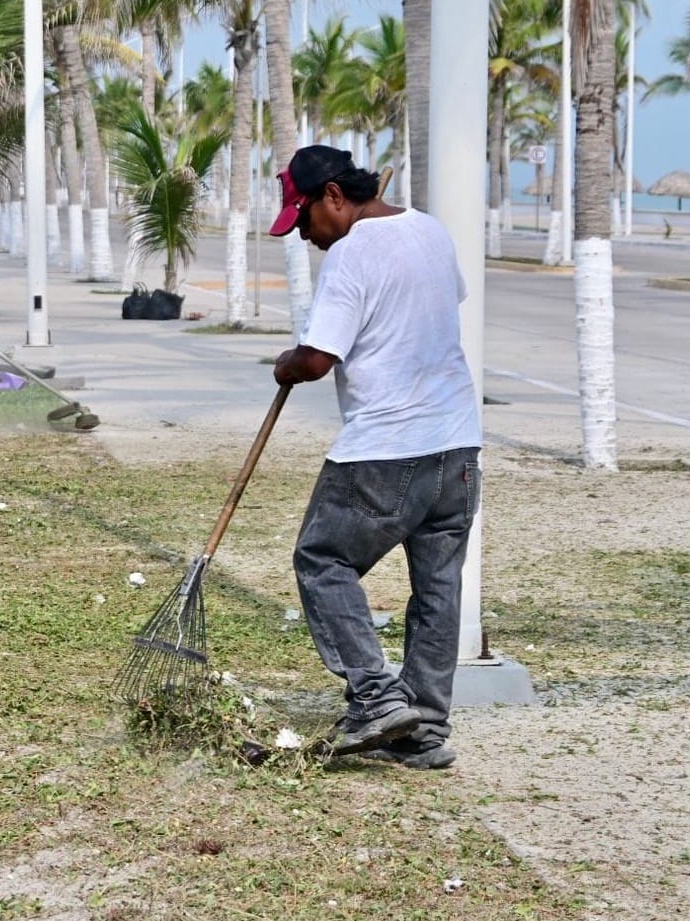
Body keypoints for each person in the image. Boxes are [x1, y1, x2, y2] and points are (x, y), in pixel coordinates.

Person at [269, 145, 482, 770]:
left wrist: (286, 362)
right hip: (458, 446)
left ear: (334, 195)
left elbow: (317, 358)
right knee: (438, 586)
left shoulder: (352, 252)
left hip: (387, 447)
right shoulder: (429, 231)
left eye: (304, 217)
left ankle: (375, 697)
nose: (305, 234)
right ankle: (423, 731)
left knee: (322, 559)